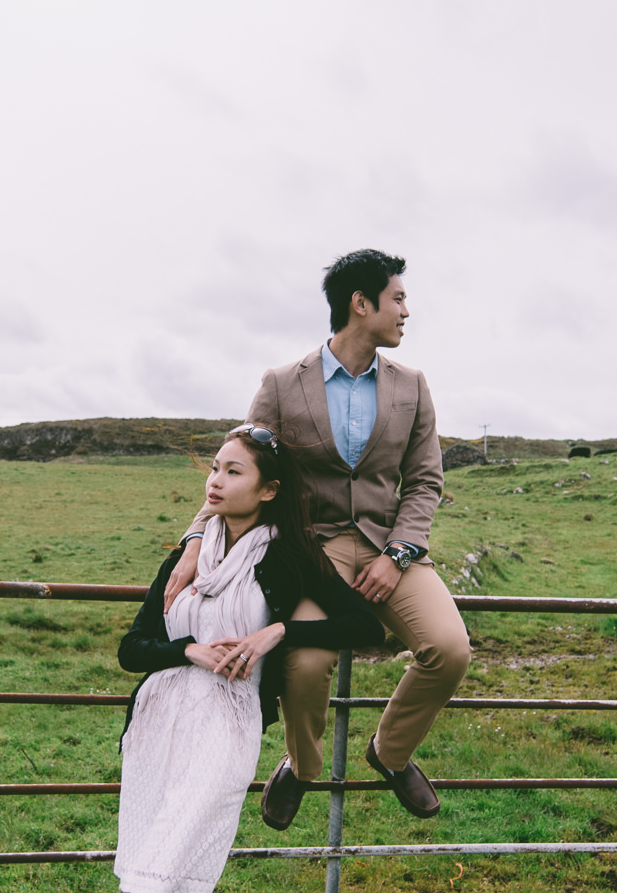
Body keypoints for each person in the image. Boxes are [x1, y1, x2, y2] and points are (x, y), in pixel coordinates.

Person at [108, 425, 381, 893]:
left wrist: (277, 634)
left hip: (220, 737)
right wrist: (187, 648)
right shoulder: (188, 554)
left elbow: (365, 618)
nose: (215, 480)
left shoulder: (286, 555)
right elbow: (133, 647)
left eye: (233, 471)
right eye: (214, 468)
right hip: (159, 735)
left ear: (268, 489)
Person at [169, 248, 467, 829]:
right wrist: (192, 541)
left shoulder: (413, 385)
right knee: (303, 664)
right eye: (398, 298)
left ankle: (390, 752)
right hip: (310, 552)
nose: (407, 310)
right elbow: (235, 468)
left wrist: (397, 553)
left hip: (391, 550)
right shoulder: (282, 385)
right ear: (361, 304)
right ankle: (302, 766)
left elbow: (426, 481)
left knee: (450, 650)